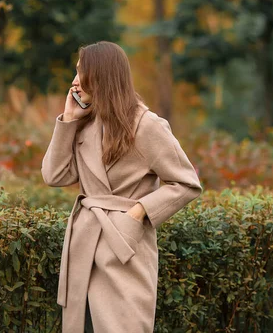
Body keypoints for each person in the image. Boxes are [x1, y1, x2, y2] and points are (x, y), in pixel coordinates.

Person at [41, 41, 203, 332]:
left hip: (124, 250)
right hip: (84, 248)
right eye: (76, 73)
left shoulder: (147, 125)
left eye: (81, 73)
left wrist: (139, 212)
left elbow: (186, 183)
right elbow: (54, 176)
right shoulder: (84, 126)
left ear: (101, 77)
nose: (75, 82)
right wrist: (67, 120)